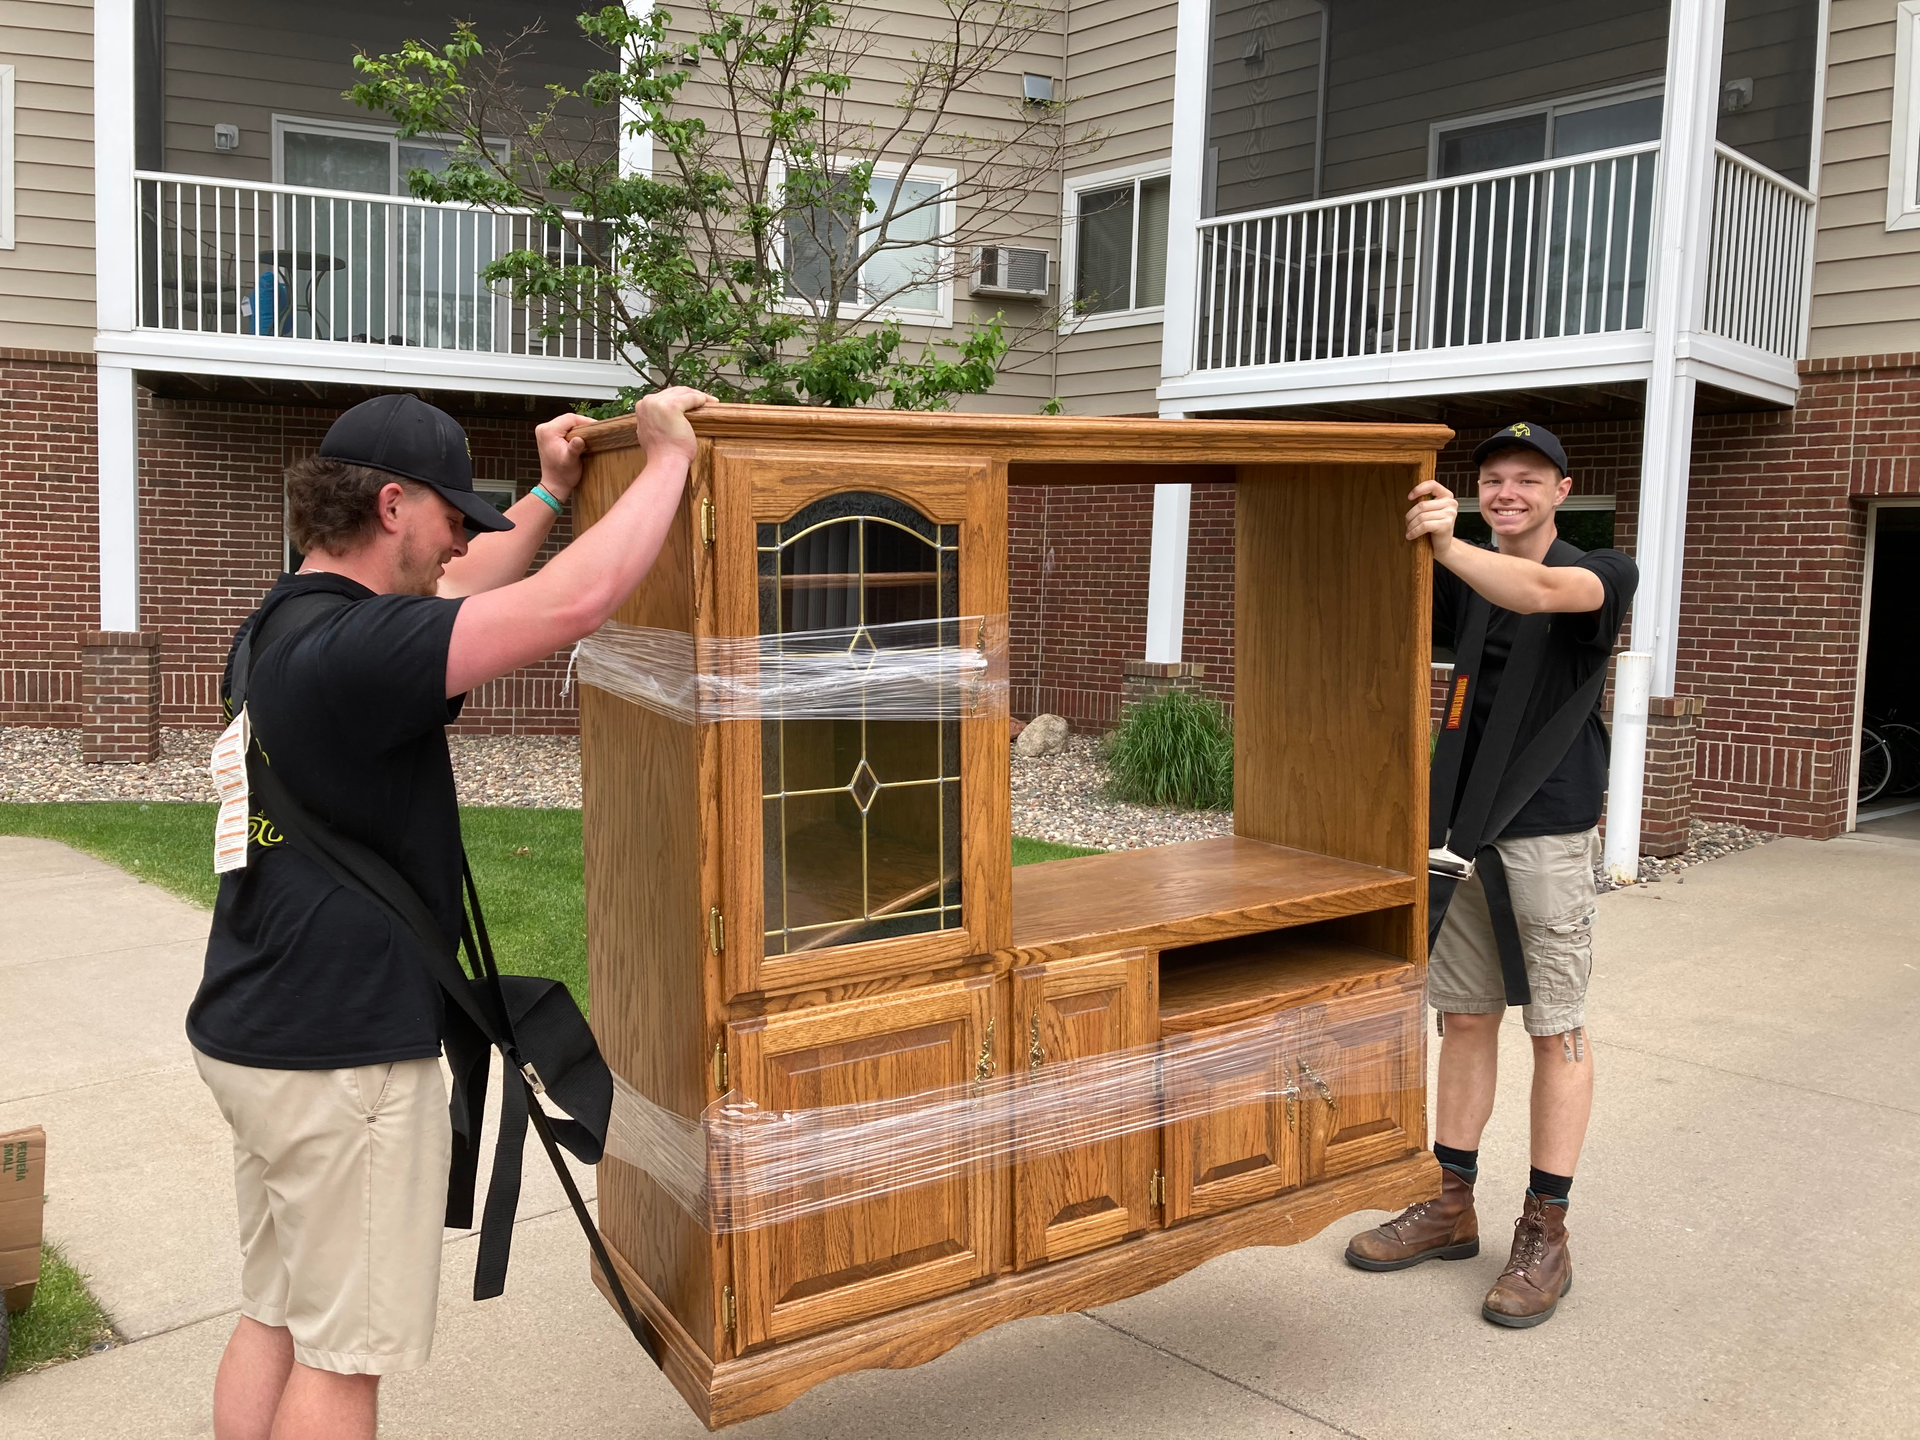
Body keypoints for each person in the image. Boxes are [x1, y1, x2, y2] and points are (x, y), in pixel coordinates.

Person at [186, 386, 711, 1440]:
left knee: (277, 1315)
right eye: (449, 514)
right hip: (341, 1061)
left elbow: (464, 584)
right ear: (391, 506)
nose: (460, 537)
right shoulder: (357, 654)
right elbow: (566, 605)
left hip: (256, 1032)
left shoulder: (285, 623)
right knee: (345, 1363)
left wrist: (553, 492)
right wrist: (666, 467)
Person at [1344, 422, 1637, 1329]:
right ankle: (1450, 1203)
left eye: (1527, 479)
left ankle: (1547, 1230)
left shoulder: (1602, 571)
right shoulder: (1464, 578)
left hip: (1545, 833)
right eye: (1492, 480)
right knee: (1465, 1018)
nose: (1508, 492)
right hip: (1459, 832)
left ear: (1561, 489)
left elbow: (1541, 590)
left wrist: (1448, 543)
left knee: (1557, 1027)